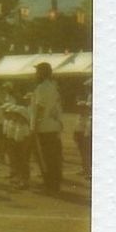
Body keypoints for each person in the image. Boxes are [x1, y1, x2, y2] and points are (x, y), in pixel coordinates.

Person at [31, 61, 64, 195]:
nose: (35, 74)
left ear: (41, 73)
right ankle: (54, 184)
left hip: (44, 127)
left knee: (45, 158)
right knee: (53, 157)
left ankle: (50, 185)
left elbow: (40, 107)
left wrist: (35, 127)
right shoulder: (53, 86)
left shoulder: (42, 88)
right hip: (53, 126)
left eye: (37, 71)